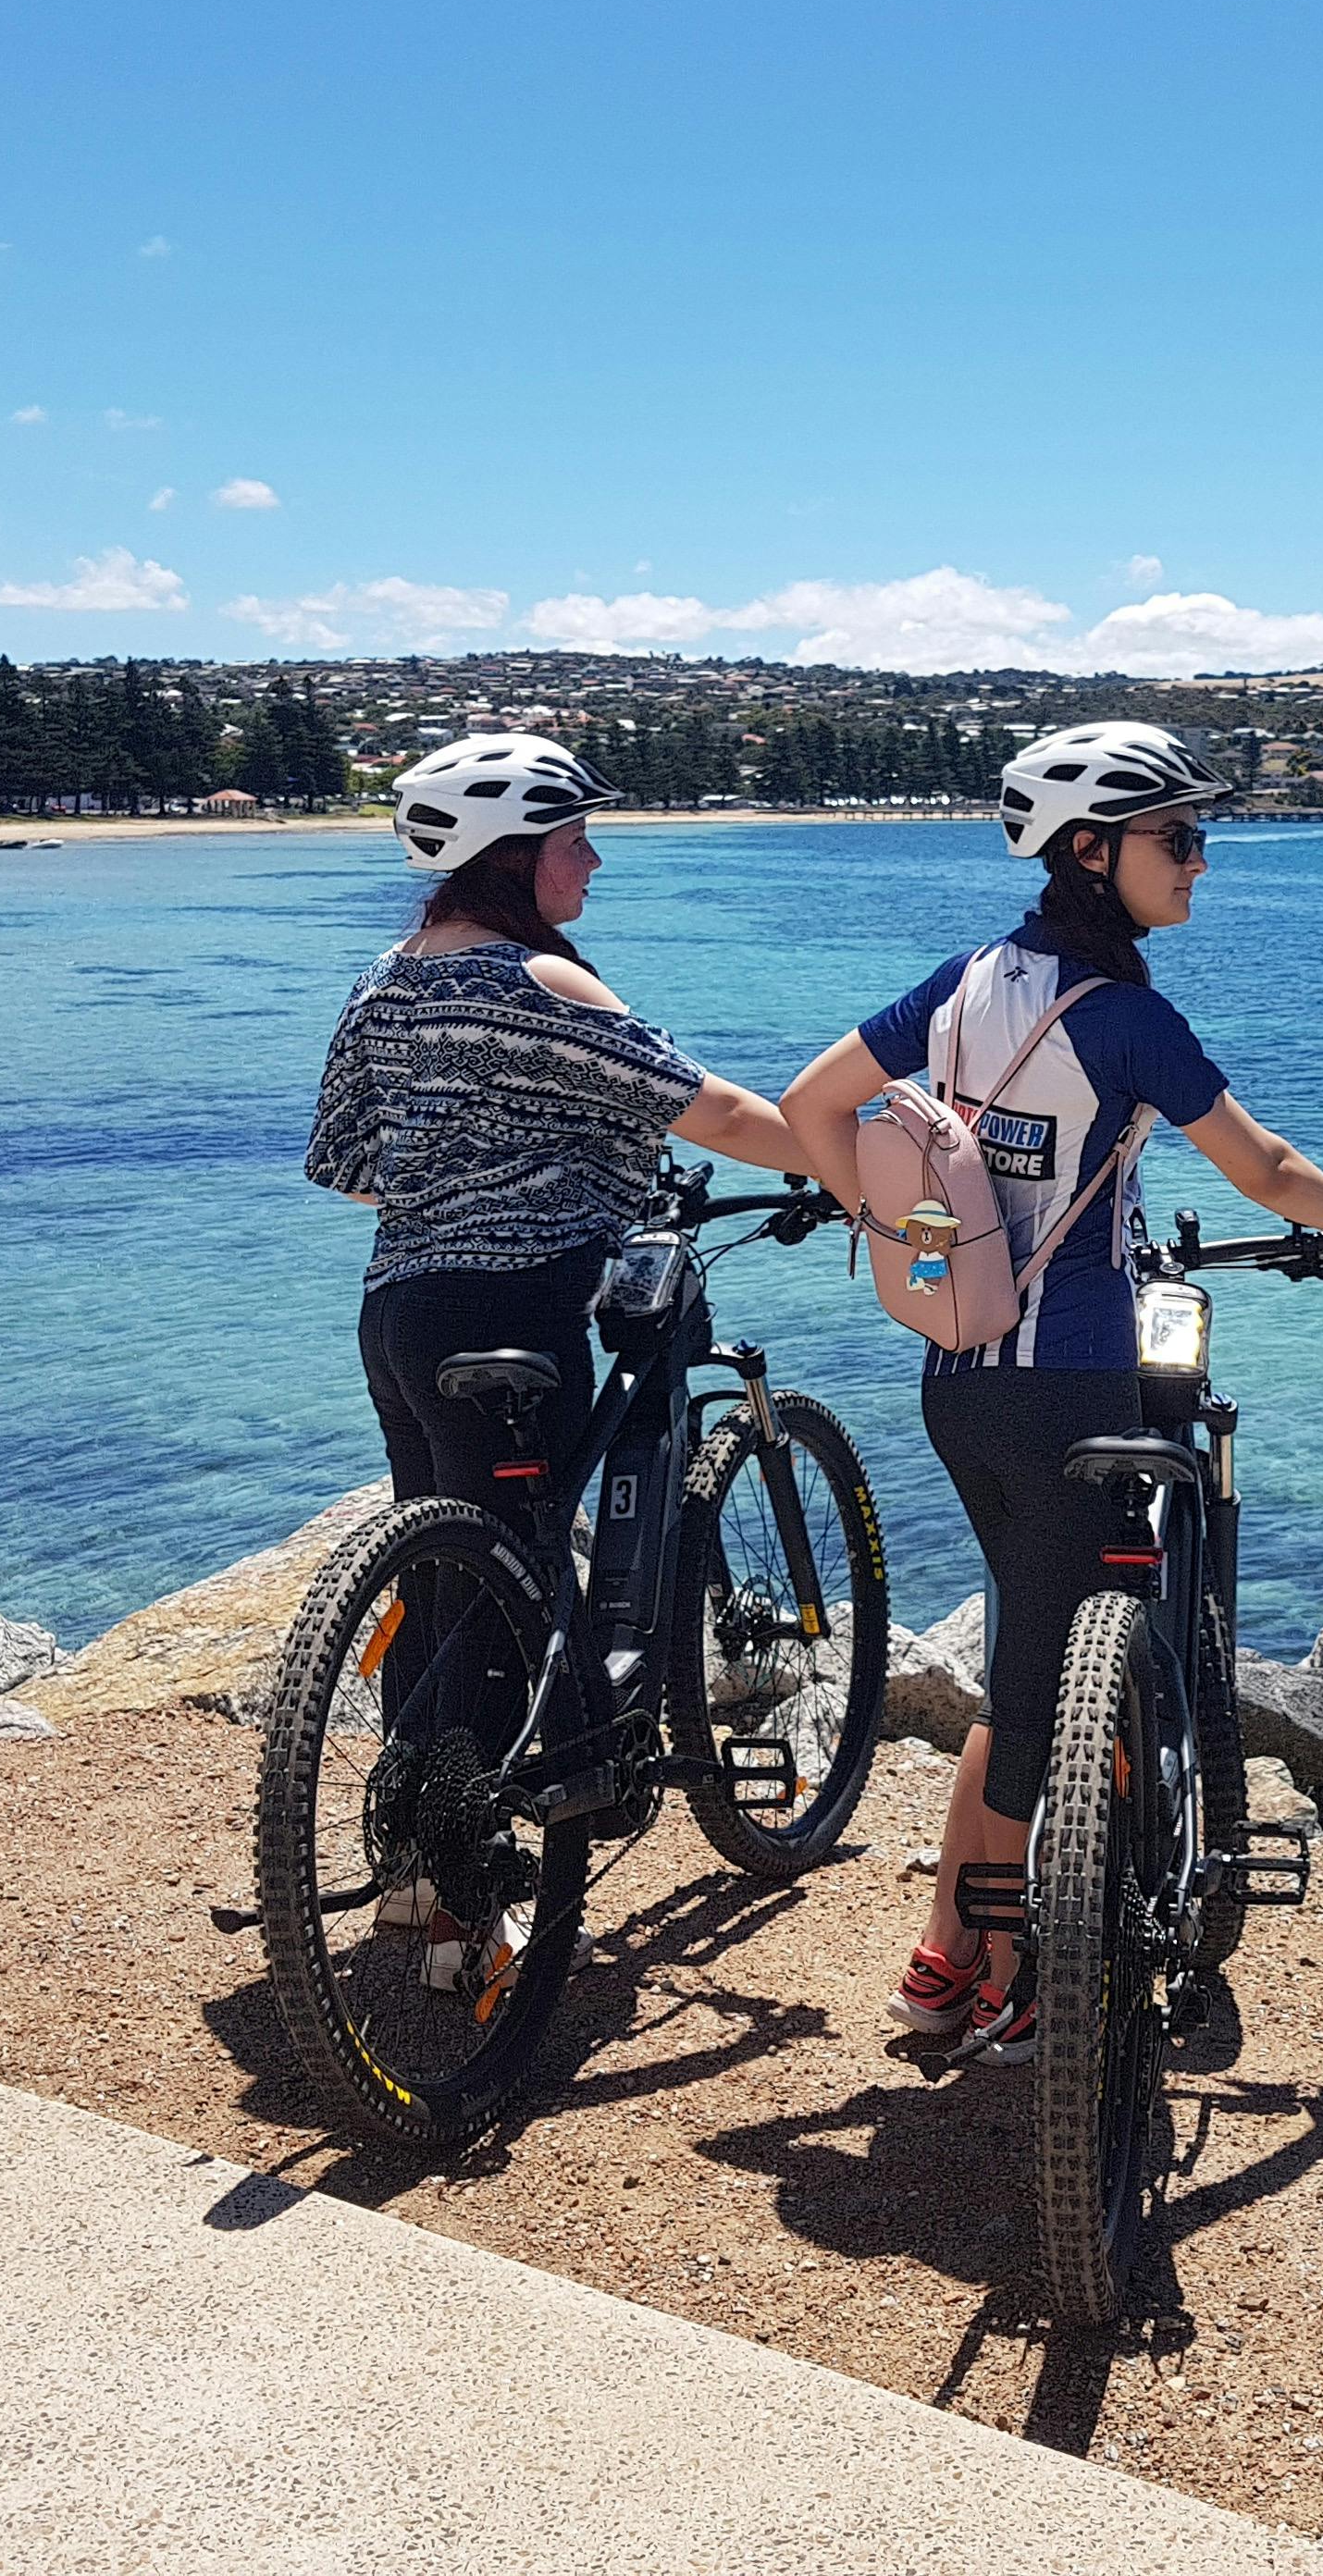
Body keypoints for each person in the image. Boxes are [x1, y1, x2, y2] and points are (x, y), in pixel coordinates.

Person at [780, 719, 1323, 2063]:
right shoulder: (1124, 1019)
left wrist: (895, 1233)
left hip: (959, 1377)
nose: (1200, 860)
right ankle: (1005, 1974)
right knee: (1040, 1691)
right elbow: (1264, 1167)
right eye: (1176, 837)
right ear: (1088, 851)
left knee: (1026, 1665)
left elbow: (813, 1104)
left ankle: (949, 1959)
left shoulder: (963, 986)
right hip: (1072, 1387)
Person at [307, 732, 811, 1980]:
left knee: (445, 1581)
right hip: (516, 1311)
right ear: (512, 854)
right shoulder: (540, 982)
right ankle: (465, 1915)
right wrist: (857, 1167)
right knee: (509, 1598)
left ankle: (415, 1873)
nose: (592, 862)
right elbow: (712, 1110)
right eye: (575, 840)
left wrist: (461, 1173)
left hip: (399, 1315)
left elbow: (346, 1164)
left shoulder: (385, 981)